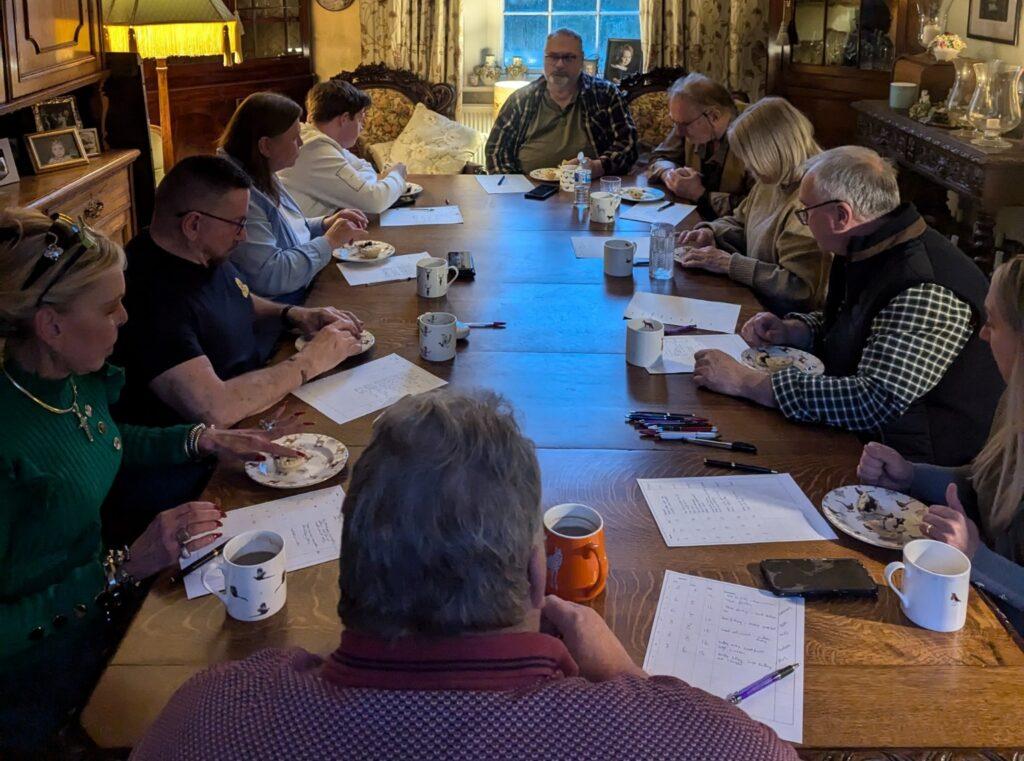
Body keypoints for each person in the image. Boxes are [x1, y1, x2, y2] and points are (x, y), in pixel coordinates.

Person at [133, 390, 798, 761]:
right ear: (541, 575)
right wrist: (628, 678)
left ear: (351, 560)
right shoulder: (687, 740)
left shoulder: (209, 712)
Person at [0, 208, 301, 754]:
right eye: (111, 306)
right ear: (51, 323)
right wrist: (122, 567)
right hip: (39, 685)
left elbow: (103, 439)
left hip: (106, 613)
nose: (125, 318)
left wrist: (203, 439)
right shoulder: (9, 435)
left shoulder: (70, 379)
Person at [691, 145, 1003, 466]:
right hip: (872, 439)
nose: (805, 221)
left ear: (842, 215)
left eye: (806, 211)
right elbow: (857, 323)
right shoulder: (869, 245)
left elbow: (873, 401)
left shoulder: (924, 285)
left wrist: (747, 382)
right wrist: (797, 331)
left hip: (912, 460)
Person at [109, 155, 365, 521]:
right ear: (194, 224)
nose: (243, 235)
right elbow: (214, 407)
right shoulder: (149, 294)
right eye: (238, 224)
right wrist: (310, 362)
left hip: (258, 414)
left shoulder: (202, 253)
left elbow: (237, 297)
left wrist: (291, 313)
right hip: (202, 470)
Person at [857, 255, 1024, 632]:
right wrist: (910, 477)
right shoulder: (1014, 400)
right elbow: (986, 481)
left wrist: (976, 557)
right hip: (976, 604)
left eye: (993, 323)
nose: (982, 334)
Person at [675, 97, 830, 315]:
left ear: (773, 151)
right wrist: (711, 231)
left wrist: (731, 264)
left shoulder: (812, 199)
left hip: (779, 319)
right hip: (753, 299)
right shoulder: (772, 180)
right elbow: (741, 220)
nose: (747, 167)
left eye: (750, 157)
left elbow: (801, 289)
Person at [217, 91, 369, 303]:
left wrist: (325, 224)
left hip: (303, 284)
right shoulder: (241, 197)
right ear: (265, 146)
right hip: (284, 306)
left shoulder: (262, 172)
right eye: (293, 137)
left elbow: (287, 228)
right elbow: (271, 276)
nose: (301, 143)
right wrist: (329, 241)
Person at [486, 28, 638, 178]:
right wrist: (514, 186)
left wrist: (599, 166)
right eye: (552, 57)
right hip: (527, 193)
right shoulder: (520, 100)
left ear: (581, 60)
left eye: (568, 57)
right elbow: (496, 151)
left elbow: (628, 146)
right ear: (544, 59)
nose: (559, 65)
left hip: (588, 190)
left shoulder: (606, 95)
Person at [279, 80, 409, 217]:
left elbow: (365, 166)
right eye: (360, 118)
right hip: (303, 235)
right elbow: (374, 201)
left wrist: (357, 191)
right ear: (345, 118)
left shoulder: (319, 141)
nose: (362, 126)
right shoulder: (314, 148)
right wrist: (397, 175)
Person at [646, 73, 752, 220]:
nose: (678, 132)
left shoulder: (756, 135)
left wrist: (698, 193)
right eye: (674, 122)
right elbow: (659, 157)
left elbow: (759, 208)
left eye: (684, 125)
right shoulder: (688, 120)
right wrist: (670, 175)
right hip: (693, 222)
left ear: (714, 116)